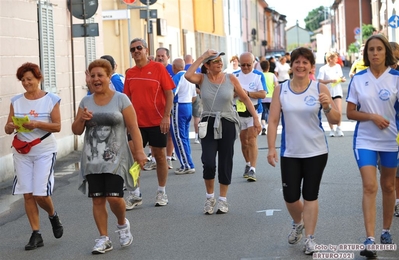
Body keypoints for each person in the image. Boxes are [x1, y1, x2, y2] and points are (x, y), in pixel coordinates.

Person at [267, 47, 341, 255]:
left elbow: (336, 120)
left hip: (316, 151)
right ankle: (298, 222)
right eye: (296, 62)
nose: (300, 65)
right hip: (290, 152)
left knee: (310, 195)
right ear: (291, 66)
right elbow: (273, 121)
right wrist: (271, 148)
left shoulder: (319, 88)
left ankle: (310, 238)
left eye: (305, 62)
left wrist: (327, 107)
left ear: (311, 66)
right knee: (290, 196)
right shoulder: (281, 89)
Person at [72, 59, 146, 254]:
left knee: (114, 199)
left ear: (108, 77)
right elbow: (76, 130)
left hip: (116, 158)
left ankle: (122, 225)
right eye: (93, 76)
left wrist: (139, 152)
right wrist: (82, 118)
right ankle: (103, 238)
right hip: (92, 159)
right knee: (97, 200)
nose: (96, 79)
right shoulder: (86, 102)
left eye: (100, 75)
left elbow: (133, 128)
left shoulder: (121, 99)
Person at [185, 49, 261, 215]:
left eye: (220, 61)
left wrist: (255, 118)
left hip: (227, 122)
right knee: (209, 161)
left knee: (225, 161)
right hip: (208, 122)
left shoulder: (230, 78)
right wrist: (203, 56)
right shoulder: (202, 79)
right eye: (215, 61)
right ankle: (209, 197)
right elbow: (187, 75)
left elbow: (245, 98)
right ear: (207, 65)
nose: (220, 63)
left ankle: (223, 200)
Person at [346, 34, 398, 258]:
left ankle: (385, 231)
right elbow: (350, 112)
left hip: (391, 140)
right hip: (365, 139)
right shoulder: (358, 78)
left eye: (379, 49)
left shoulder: (396, 77)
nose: (375, 53)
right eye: (371, 50)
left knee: (388, 186)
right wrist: (372, 117)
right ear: (366, 54)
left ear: (386, 52)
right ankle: (370, 239)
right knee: (369, 186)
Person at [4, 62, 63, 250]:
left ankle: (53, 215)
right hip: (22, 152)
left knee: (40, 194)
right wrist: (11, 127)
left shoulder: (51, 99)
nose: (26, 83)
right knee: (27, 194)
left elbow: (57, 126)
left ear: (39, 78)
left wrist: (37, 123)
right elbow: (7, 128)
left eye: (29, 79)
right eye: (22, 80)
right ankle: (36, 234)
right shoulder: (16, 101)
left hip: (44, 150)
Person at [124, 38, 175, 208]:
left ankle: (161, 191)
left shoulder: (158, 68)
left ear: (146, 50)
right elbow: (127, 99)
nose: (136, 51)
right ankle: (135, 193)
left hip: (157, 121)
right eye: (133, 49)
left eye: (139, 48)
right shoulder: (129, 73)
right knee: (133, 156)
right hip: (136, 124)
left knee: (159, 155)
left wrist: (166, 116)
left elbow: (169, 94)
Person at [234, 52, 267, 182]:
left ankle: (253, 169)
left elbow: (263, 94)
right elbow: (229, 93)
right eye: (243, 65)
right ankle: (247, 163)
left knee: (252, 139)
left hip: (254, 112)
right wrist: (235, 94)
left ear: (253, 63)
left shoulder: (258, 75)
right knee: (244, 141)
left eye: (249, 64)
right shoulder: (234, 75)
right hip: (238, 112)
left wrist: (246, 94)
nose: (246, 67)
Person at [171, 58, 197, 174]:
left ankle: (187, 164)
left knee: (178, 137)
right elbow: (194, 96)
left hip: (179, 106)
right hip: (188, 105)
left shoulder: (177, 77)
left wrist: (167, 111)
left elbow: (171, 93)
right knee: (184, 137)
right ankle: (188, 161)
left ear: (174, 67)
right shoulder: (189, 76)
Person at [155, 47, 176, 170]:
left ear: (168, 57)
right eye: (158, 55)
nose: (160, 58)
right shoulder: (154, 69)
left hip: (168, 105)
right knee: (156, 133)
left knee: (169, 133)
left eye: (163, 56)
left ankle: (168, 158)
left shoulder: (172, 69)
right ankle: (154, 158)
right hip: (155, 106)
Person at [317, 52, 346, 137]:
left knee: (339, 111)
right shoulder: (323, 69)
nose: (337, 60)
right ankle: (332, 129)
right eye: (335, 58)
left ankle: (339, 128)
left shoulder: (338, 66)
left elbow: (340, 77)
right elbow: (320, 81)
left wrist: (342, 79)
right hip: (328, 92)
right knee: (329, 111)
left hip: (337, 91)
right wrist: (330, 81)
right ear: (330, 59)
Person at [260, 60, 278, 135]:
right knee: (271, 113)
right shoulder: (272, 75)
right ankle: (271, 127)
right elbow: (277, 86)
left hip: (262, 97)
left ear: (261, 67)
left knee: (263, 113)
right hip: (271, 98)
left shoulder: (260, 75)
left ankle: (264, 126)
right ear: (269, 67)